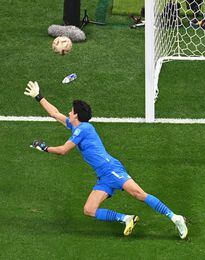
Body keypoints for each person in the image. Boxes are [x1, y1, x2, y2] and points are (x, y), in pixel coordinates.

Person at [24, 81, 188, 239]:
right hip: (103, 176)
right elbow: (55, 113)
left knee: (139, 194)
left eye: (71, 111)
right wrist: (39, 96)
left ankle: (175, 218)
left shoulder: (84, 129)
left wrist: (45, 148)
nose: (68, 113)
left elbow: (63, 150)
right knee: (89, 209)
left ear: (76, 115)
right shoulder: (76, 126)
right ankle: (126, 219)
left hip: (111, 170)